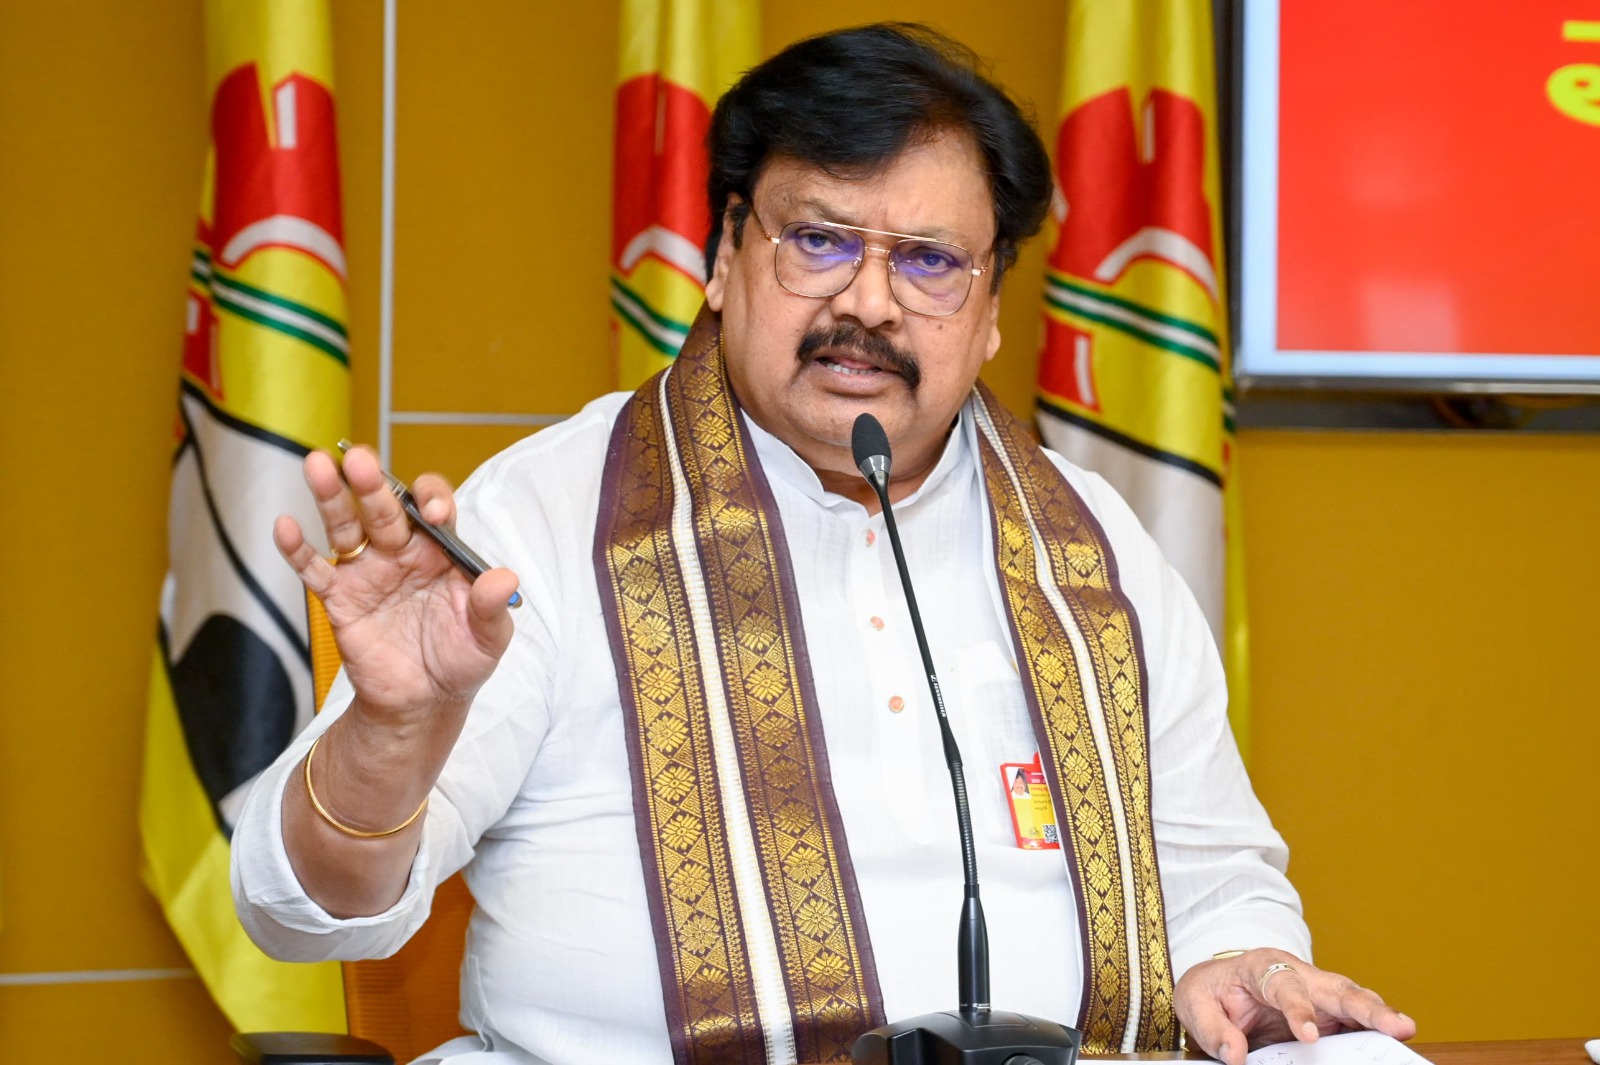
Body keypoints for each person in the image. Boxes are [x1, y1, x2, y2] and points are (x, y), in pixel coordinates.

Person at [232, 23, 1415, 1065]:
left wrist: (1247, 966)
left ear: (991, 313)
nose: (870, 303)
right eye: (820, 242)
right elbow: (302, 914)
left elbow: (1212, 874)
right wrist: (391, 734)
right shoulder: (545, 518)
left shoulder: (1093, 548)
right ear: (722, 257)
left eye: (931, 262)